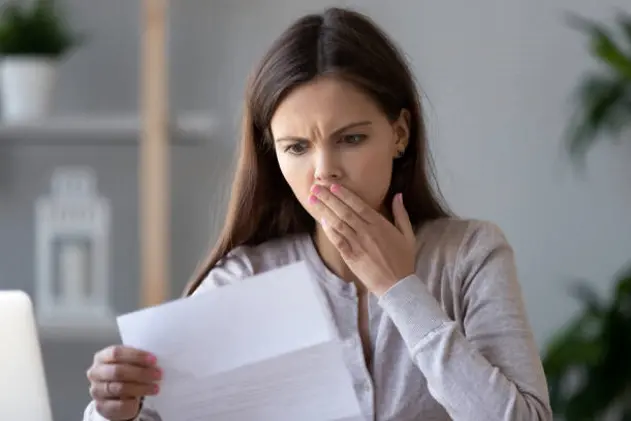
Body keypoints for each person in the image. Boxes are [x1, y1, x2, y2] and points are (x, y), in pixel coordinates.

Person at [83, 7, 552, 421]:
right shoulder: (244, 278)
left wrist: (402, 292)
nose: (325, 172)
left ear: (400, 133)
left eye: (351, 139)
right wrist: (116, 409)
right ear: (275, 155)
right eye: (298, 148)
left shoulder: (470, 256)